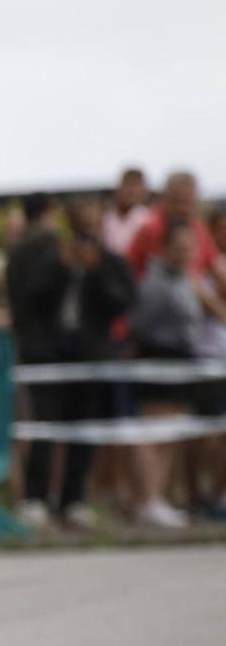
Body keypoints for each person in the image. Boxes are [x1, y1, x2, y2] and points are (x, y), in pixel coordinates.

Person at [9, 194, 136, 529]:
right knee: (44, 427)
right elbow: (29, 301)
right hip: (49, 356)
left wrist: (95, 272)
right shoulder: (47, 257)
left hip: (90, 356)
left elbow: (123, 302)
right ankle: (36, 498)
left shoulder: (109, 260)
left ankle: (74, 499)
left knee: (83, 429)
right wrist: (60, 268)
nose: (87, 224)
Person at [128, 222, 226, 528]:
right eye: (180, 248)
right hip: (160, 358)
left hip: (182, 360)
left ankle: (158, 497)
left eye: (189, 248)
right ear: (165, 248)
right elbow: (140, 323)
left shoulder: (187, 279)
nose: (186, 253)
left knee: (171, 433)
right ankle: (148, 499)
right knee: (155, 431)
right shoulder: (156, 283)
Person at [102, 168, 151, 258]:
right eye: (127, 185)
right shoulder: (106, 217)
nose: (130, 191)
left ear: (144, 192)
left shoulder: (148, 218)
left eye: (135, 186)